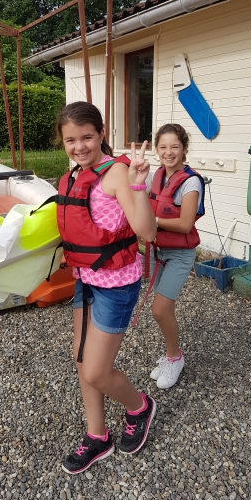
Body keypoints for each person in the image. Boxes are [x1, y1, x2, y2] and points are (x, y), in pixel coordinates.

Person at [55, 101, 157, 475]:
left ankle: (139, 407)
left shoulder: (116, 173)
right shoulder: (71, 176)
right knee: (82, 361)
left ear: (101, 134)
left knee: (97, 371)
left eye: (86, 137)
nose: (79, 146)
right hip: (85, 280)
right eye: (70, 140)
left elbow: (147, 232)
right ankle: (97, 436)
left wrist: (139, 185)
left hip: (116, 285)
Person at [148, 123, 205, 389]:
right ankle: (171, 354)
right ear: (156, 149)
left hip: (180, 254)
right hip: (158, 251)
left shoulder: (191, 181)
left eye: (174, 146)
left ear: (184, 148)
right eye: (163, 147)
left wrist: (152, 221)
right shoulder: (155, 176)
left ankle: (175, 357)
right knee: (165, 309)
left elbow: (184, 224)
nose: (168, 152)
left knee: (159, 310)